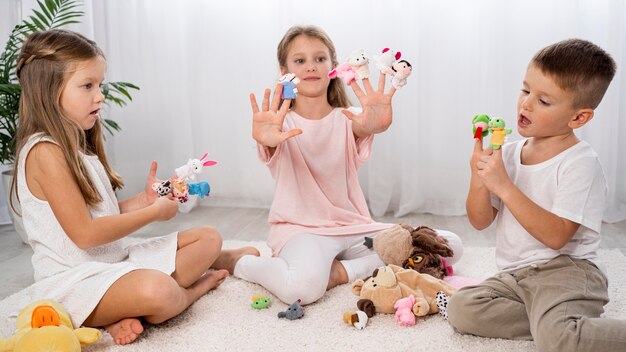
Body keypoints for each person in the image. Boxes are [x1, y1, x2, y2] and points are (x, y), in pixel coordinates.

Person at [10, 29, 257, 345]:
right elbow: (85, 234)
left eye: (100, 85)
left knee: (208, 236)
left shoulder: (78, 147)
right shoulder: (45, 152)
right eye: (88, 86)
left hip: (115, 263)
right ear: (49, 91)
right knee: (159, 291)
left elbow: (102, 216)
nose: (99, 95)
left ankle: (201, 264)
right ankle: (193, 289)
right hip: (75, 282)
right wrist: (153, 214)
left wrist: (144, 200)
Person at [233, 25, 463, 305]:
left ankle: (340, 271)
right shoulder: (278, 124)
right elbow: (270, 141)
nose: (311, 67)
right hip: (302, 231)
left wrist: (373, 123)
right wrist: (266, 139)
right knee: (301, 290)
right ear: (285, 71)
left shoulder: (350, 117)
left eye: (320, 59)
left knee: (448, 245)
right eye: (300, 60)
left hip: (355, 229)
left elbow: (364, 124)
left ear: (333, 67)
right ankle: (241, 262)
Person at [448, 38, 626, 351]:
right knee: (462, 308)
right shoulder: (511, 153)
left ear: (578, 118)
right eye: (525, 90)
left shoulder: (580, 162)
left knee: (558, 340)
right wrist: (478, 176)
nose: (526, 104)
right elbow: (479, 221)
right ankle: (549, 320)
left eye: (543, 101)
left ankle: (557, 325)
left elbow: (557, 237)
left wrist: (504, 185)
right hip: (517, 276)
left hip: (568, 272)